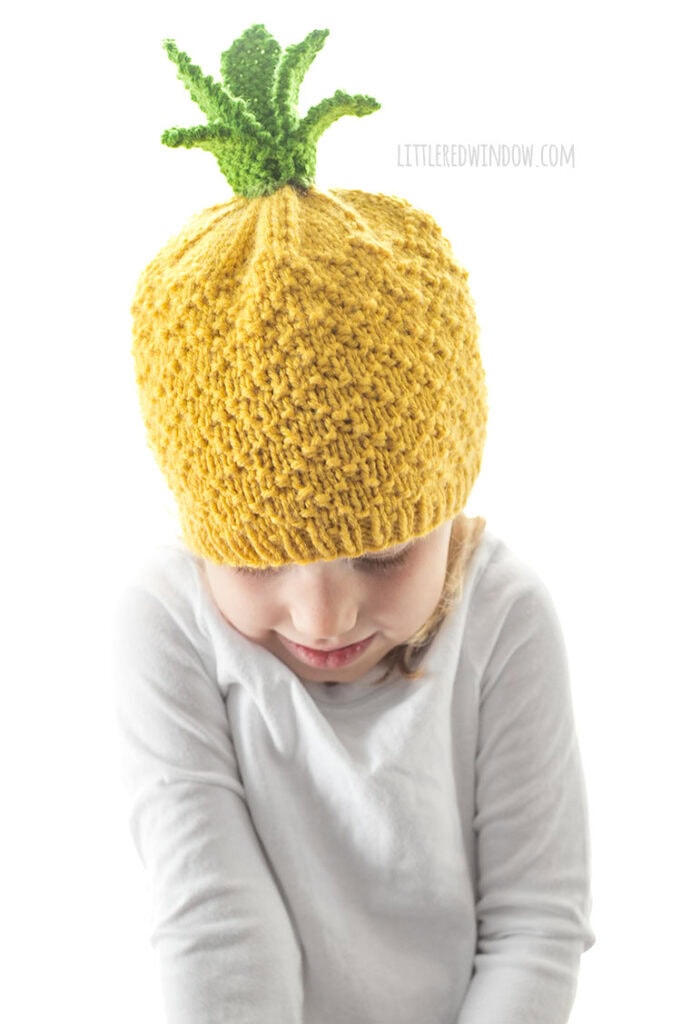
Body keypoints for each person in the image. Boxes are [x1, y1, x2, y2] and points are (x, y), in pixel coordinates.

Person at [113, 23, 594, 1024]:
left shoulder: (503, 617)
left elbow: (535, 924)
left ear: (447, 510)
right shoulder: (166, 621)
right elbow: (217, 928)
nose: (324, 612)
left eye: (380, 551)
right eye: (257, 558)